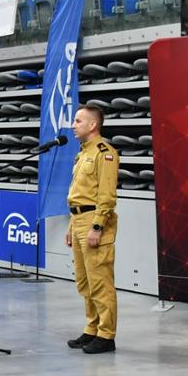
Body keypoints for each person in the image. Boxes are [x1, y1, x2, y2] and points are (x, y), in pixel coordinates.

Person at [65, 105, 120, 354]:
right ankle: (92, 328)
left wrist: (97, 226)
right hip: (78, 220)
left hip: (93, 221)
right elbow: (78, 193)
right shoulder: (82, 153)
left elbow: (106, 195)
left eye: (78, 121)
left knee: (100, 281)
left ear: (92, 125)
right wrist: (70, 225)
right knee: (85, 281)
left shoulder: (104, 153)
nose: (73, 125)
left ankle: (106, 335)